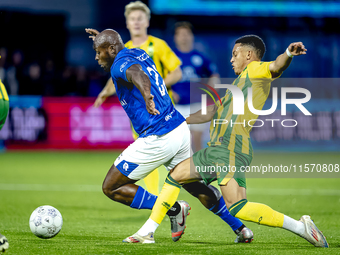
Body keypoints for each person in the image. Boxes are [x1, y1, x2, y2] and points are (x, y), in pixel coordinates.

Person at [131, 35, 329, 248]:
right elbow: (213, 110)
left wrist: (288, 54)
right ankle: (149, 230)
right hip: (218, 148)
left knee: (236, 205)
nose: (231, 59)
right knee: (177, 176)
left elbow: (276, 66)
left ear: (249, 55)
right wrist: (182, 120)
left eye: (235, 54)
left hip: (229, 148)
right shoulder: (239, 83)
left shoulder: (255, 70)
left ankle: (301, 227)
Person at [91, 29, 253, 244]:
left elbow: (137, 74)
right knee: (194, 185)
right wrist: (101, 39)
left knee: (111, 187)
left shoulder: (121, 64)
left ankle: (174, 208)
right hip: (178, 128)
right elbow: (136, 66)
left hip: (158, 137)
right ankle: (240, 229)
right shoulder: (136, 52)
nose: (96, 57)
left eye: (99, 52)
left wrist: (147, 95)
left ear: (112, 49)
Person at [86, 1, 182, 196]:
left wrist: (155, 86)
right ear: (127, 24)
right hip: (140, 114)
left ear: (147, 22)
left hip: (160, 110)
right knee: (152, 160)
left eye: (140, 18)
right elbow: (118, 78)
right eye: (132, 19)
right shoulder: (123, 48)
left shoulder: (158, 45)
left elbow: (177, 72)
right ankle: (158, 199)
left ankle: (161, 202)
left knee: (166, 159)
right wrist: (105, 92)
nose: (136, 22)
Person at [172, 21, 220, 152]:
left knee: (197, 141)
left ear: (192, 36)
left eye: (187, 34)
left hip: (196, 104)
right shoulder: (170, 57)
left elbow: (214, 74)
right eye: (180, 34)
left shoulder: (199, 57)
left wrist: (212, 86)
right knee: (180, 144)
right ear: (175, 38)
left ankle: (199, 170)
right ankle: (181, 171)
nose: (184, 37)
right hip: (177, 106)